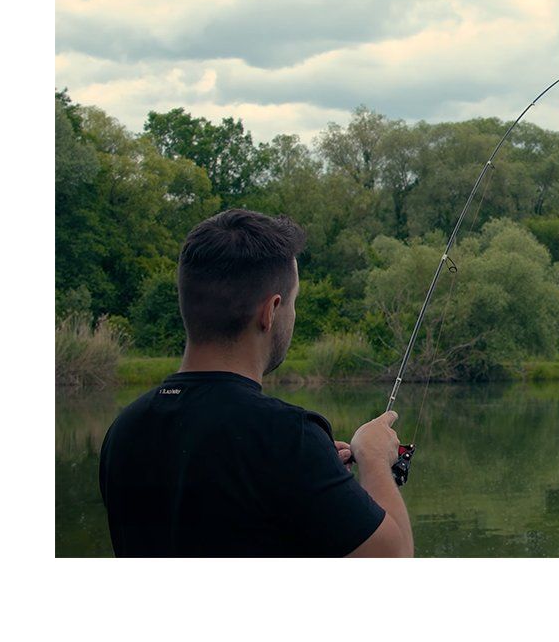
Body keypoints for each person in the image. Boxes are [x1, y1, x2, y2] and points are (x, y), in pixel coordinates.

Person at [99, 208, 414, 557]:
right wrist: (372, 458)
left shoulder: (124, 429)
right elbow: (394, 557)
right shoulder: (288, 437)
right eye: (293, 302)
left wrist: (315, 477)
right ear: (271, 311)